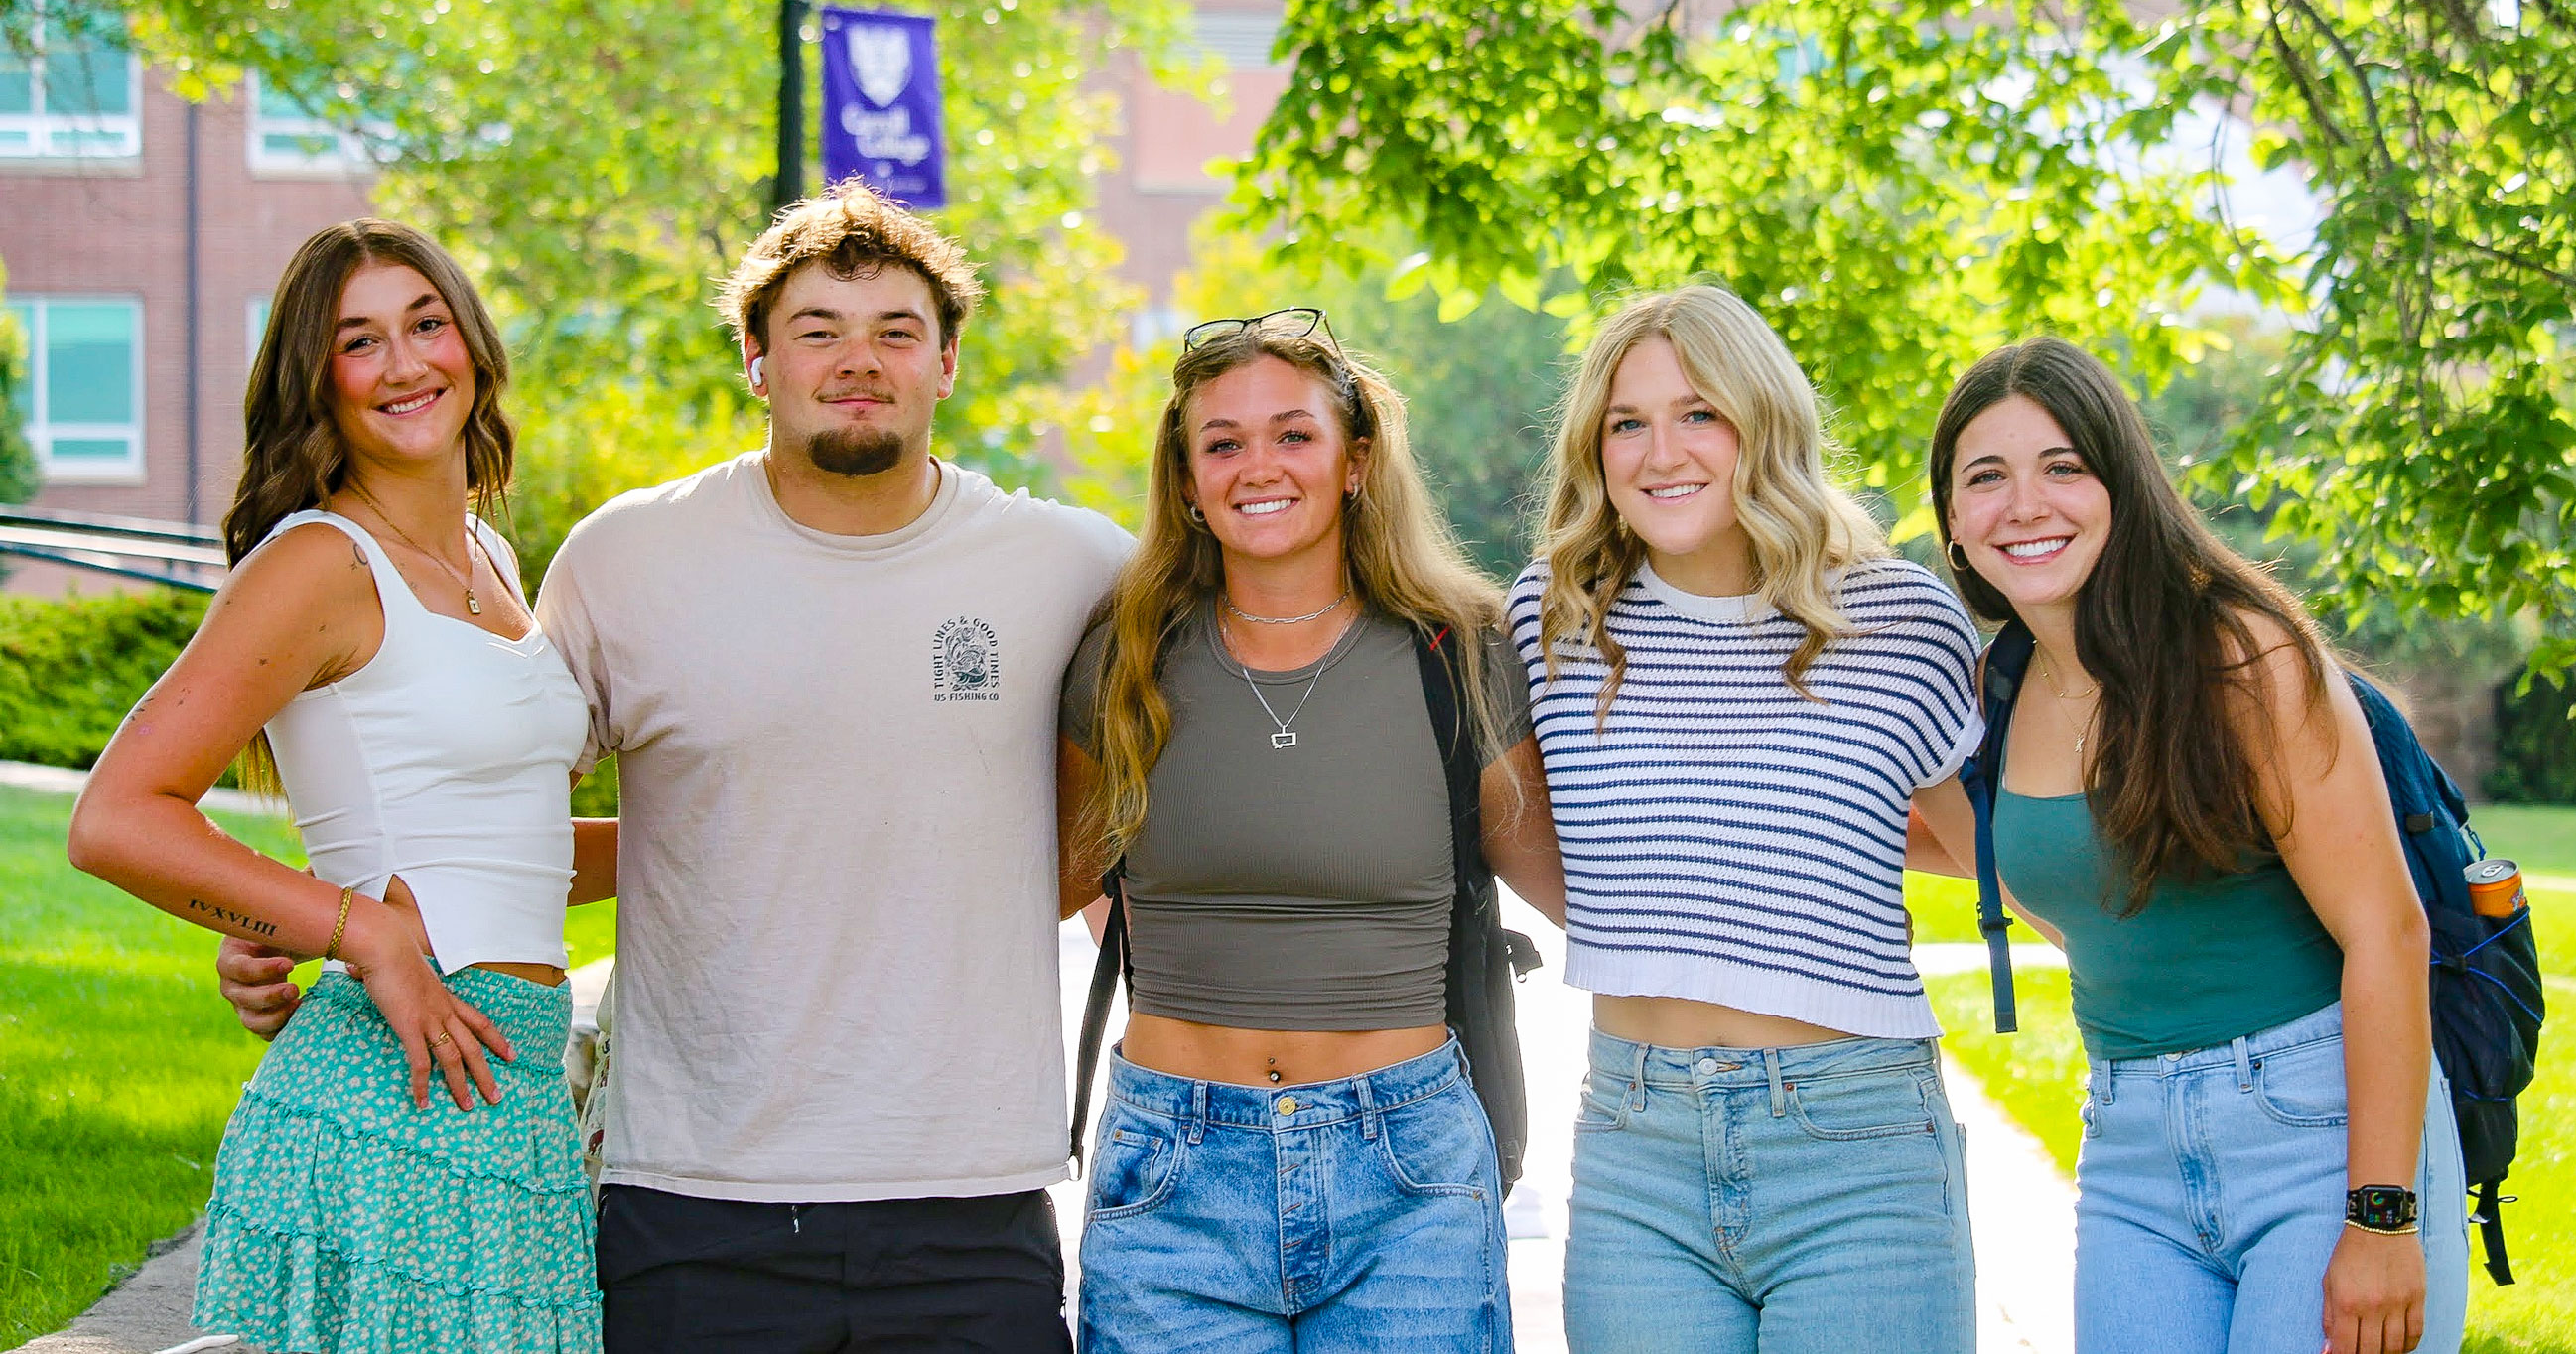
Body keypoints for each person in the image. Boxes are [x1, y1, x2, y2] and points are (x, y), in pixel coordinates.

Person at [220, 184, 1130, 1352]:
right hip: (692, 1199)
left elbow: (1237, 679)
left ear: (947, 361)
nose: (859, 360)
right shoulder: (624, 560)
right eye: (816, 331)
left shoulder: (1070, 562)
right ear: (755, 359)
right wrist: (321, 910)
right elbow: (485, 802)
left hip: (971, 1191)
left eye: (896, 331)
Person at [68, 217, 610, 1353]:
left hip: (502, 1095)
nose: (406, 363)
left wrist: (740, 830)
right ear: (319, 381)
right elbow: (116, 819)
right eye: (360, 342)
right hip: (389, 1106)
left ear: (473, 341)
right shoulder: (318, 561)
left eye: (426, 322)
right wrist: (354, 929)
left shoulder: (489, 560)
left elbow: (504, 854)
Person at [1929, 337, 2467, 1354]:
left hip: (2316, 1122)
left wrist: (2382, 1215)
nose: (2024, 504)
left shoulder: (2239, 655)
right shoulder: (1996, 687)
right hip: (2129, 1144)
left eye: (2061, 467)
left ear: (2122, 484)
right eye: (1984, 477)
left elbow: (2385, 931)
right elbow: (1989, 851)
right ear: (1953, 523)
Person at [1057, 308, 1562, 1353]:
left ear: (1354, 461)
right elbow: (1051, 877)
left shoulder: (1456, 652)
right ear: (1186, 480)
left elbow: (1573, 879)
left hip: (1407, 1167)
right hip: (1171, 1165)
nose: (1257, 465)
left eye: (1293, 433)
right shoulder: (1123, 660)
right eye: (1222, 441)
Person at [1509, 284, 1987, 1354]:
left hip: (1856, 1140)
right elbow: (1532, 828)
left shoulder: (1898, 620)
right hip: (1635, 1141)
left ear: (1760, 422)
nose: (1658, 450)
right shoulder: (1551, 617)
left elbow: (1984, 851)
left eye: (1698, 412)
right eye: (1624, 421)